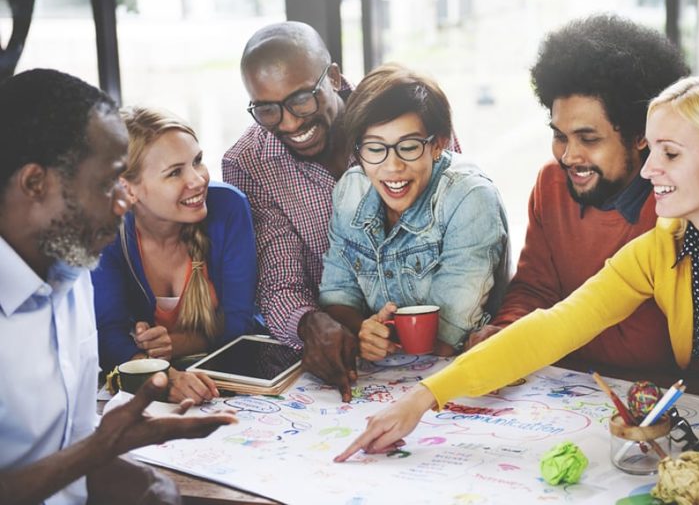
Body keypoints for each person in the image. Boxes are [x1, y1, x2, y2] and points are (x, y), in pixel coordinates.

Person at [336, 73, 699, 461]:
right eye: (652, 149)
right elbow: (557, 325)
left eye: (669, 153)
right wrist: (423, 397)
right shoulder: (664, 244)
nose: (649, 169)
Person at [0, 69, 235, 504]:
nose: (126, 202)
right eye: (109, 183)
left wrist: (142, 483)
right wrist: (99, 450)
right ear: (35, 184)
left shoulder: (72, 275)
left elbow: (69, 449)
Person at [224, 22, 459, 401]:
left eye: (302, 99)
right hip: (345, 353)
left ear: (332, 77)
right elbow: (279, 283)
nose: (290, 122)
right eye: (267, 110)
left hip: (443, 336)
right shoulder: (249, 162)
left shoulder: (409, 108)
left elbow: (462, 226)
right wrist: (309, 323)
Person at [465, 14, 688, 369]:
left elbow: (654, 344)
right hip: (566, 385)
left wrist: (536, 338)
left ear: (641, 135)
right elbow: (535, 289)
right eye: (560, 136)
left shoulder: (675, 204)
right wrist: (506, 331)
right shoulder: (551, 184)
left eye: (589, 139)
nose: (569, 156)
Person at [319, 64, 508, 359]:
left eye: (408, 147)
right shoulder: (350, 191)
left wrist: (379, 338)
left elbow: (447, 336)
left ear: (438, 144)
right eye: (375, 148)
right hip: (384, 371)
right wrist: (366, 331)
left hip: (458, 367)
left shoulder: (469, 197)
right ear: (358, 152)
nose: (393, 166)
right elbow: (336, 298)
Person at [92, 106, 262, 404]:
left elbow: (240, 322)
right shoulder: (106, 232)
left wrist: (174, 344)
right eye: (174, 172)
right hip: (158, 383)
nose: (198, 180)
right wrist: (165, 377)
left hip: (229, 374)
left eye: (197, 161)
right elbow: (107, 335)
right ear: (128, 189)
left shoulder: (229, 207)